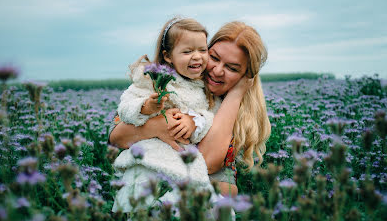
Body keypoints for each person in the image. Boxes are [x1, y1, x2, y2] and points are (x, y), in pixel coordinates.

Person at [110, 21, 271, 198]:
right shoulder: (170, 84)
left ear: (246, 76)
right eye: (214, 58)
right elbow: (117, 136)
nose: (217, 71)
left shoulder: (240, 114)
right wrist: (157, 125)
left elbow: (207, 162)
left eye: (232, 68)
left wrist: (237, 93)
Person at [112, 17, 218, 212]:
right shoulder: (150, 79)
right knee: (139, 205)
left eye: (202, 50)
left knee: (182, 208)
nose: (197, 57)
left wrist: (194, 121)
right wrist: (146, 107)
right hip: (146, 157)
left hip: (181, 160)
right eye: (187, 51)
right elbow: (125, 107)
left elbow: (207, 116)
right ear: (168, 56)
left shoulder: (202, 88)